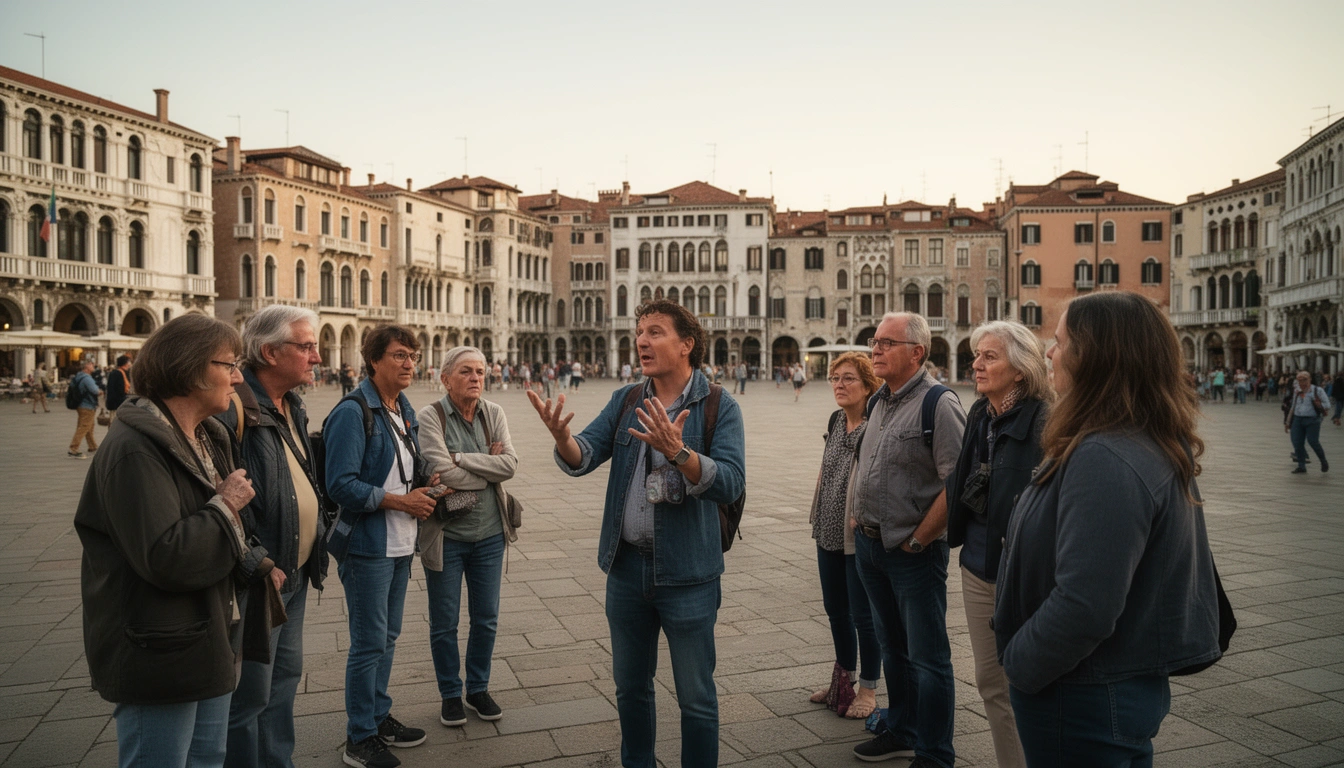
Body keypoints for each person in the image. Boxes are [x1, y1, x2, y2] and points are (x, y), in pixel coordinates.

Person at [995, 292, 1222, 767]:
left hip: (1083, 694)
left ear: (1097, 356)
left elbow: (1086, 604)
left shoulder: (1106, 455)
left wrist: (1021, 663)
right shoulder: (1140, 437)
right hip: (1108, 687)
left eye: (1059, 342)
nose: (1049, 353)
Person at [527, 299, 745, 768]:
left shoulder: (717, 406)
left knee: (697, 699)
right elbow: (584, 454)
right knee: (630, 689)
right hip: (626, 570)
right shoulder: (627, 399)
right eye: (639, 332)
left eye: (655, 332)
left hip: (689, 573)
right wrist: (562, 438)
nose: (642, 341)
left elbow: (730, 481)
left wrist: (679, 453)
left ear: (687, 345)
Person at [75, 314, 269, 768]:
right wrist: (227, 506)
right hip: (159, 647)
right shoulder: (135, 450)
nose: (239, 376)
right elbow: (167, 556)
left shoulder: (206, 434)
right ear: (190, 369)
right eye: (230, 364)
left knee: (207, 757)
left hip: (207, 635)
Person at [848, 312, 965, 766]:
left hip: (913, 554)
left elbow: (957, 486)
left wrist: (918, 540)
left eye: (885, 343)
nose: (874, 349)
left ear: (916, 352)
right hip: (871, 547)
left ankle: (936, 753)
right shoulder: (880, 399)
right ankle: (902, 728)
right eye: (874, 341)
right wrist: (859, 518)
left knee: (929, 658)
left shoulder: (940, 404)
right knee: (891, 648)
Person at [325, 326, 440, 768]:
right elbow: (341, 484)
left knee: (387, 637)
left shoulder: (401, 407)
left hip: (399, 543)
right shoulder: (353, 413)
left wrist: (430, 479)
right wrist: (399, 500)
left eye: (412, 354)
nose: (410, 362)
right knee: (369, 641)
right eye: (399, 356)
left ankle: (376, 714)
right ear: (374, 361)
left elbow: (409, 460)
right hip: (368, 545)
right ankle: (359, 736)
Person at [217, 306, 328, 768]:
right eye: (306, 347)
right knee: (250, 694)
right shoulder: (233, 410)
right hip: (263, 577)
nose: (317, 357)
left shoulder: (293, 406)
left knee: (284, 682)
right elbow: (222, 498)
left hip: (295, 573)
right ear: (268, 352)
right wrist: (257, 561)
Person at [943, 321, 1052, 768]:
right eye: (976, 354)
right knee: (990, 679)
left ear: (1021, 370)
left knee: (1027, 678)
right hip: (977, 564)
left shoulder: (1047, 420)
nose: (977, 363)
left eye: (990, 356)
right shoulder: (979, 413)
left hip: (1024, 571)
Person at [416, 347, 519, 728]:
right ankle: (449, 694)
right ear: (445, 378)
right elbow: (438, 467)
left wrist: (460, 459)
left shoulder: (494, 413)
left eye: (481, 371)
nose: (476, 378)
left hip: (491, 534)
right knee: (444, 622)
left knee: (486, 618)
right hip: (447, 536)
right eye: (466, 372)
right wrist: (484, 466)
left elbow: (510, 465)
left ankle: (477, 688)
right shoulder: (431, 416)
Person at [808, 352, 882, 720]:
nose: (839, 384)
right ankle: (843, 680)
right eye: (834, 378)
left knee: (863, 615)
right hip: (826, 528)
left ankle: (868, 689)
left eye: (848, 378)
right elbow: (828, 467)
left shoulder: (876, 424)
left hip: (857, 535)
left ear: (869, 385)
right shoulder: (837, 419)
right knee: (836, 610)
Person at [1285, 370, 1330, 474]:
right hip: (1298, 419)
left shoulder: (1317, 390)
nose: (1302, 382)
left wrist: (1318, 404)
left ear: (1309, 379)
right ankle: (1301, 466)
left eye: (1304, 379)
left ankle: (1323, 461)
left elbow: (1327, 404)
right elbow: (1293, 406)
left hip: (1312, 420)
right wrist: (1288, 422)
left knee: (1313, 441)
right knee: (1297, 442)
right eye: (1299, 380)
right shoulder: (1297, 391)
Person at [68, 358, 103, 458]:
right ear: (87, 366)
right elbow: (95, 391)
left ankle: (92, 446)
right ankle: (73, 448)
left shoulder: (78, 376)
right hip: (88, 405)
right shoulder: (87, 378)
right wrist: (101, 391)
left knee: (89, 426)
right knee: (84, 427)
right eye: (91, 365)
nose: (93, 366)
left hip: (80, 405)